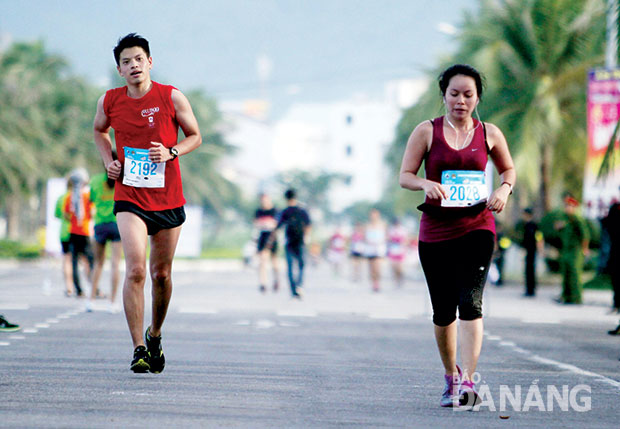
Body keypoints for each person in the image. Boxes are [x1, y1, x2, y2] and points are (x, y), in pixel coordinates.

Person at [399, 64, 516, 408]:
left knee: (471, 303)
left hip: (477, 226)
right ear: (444, 95)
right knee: (443, 310)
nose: (460, 101)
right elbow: (405, 175)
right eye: (454, 94)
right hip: (436, 230)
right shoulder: (427, 131)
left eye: (468, 94)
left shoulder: (489, 133)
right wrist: (425, 183)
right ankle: (450, 376)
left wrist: (504, 189)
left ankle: (468, 381)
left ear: (478, 98)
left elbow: (508, 169)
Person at [93, 33, 202, 373]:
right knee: (137, 270)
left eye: (139, 59)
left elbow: (195, 136)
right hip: (130, 196)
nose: (134, 66)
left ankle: (154, 335)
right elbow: (99, 131)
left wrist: (171, 152)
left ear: (150, 62)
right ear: (119, 70)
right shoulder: (110, 101)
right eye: (126, 62)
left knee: (161, 274)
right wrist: (109, 161)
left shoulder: (171, 96)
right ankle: (138, 348)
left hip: (167, 197)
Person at [88, 154, 123, 312]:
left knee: (98, 263)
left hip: (100, 224)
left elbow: (91, 200)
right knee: (115, 264)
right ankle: (112, 302)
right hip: (117, 223)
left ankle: (91, 300)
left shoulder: (95, 181)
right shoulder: (122, 180)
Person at [271, 189, 311, 299]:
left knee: (289, 267)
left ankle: (293, 290)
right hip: (300, 241)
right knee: (301, 265)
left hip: (289, 242)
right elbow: (308, 224)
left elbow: (277, 226)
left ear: (286, 198)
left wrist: (273, 240)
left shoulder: (284, 212)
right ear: (296, 197)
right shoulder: (302, 211)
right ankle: (299, 286)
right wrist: (306, 237)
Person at [63, 168, 95, 299]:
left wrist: (74, 219)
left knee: (74, 262)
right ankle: (94, 287)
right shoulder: (87, 196)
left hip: (73, 232)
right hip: (85, 232)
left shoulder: (69, 197)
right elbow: (92, 213)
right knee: (91, 261)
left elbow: (66, 215)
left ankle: (79, 289)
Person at [555, 195, 589, 305]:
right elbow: (559, 232)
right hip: (566, 250)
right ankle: (566, 297)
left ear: (574, 207)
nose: (567, 208)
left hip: (575, 251)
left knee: (575, 274)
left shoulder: (577, 219)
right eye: (566, 206)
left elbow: (585, 236)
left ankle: (576, 298)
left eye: (569, 206)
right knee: (566, 274)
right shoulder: (564, 218)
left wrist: (585, 249)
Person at [254, 193, 280, 294]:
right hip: (262, 236)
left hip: (272, 236)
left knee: (274, 261)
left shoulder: (275, 211)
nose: (264, 202)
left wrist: (269, 224)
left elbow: (277, 224)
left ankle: (276, 279)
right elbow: (256, 223)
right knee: (262, 260)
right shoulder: (259, 211)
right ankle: (263, 283)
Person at [55, 186, 75, 296]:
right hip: (79, 231)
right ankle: (94, 288)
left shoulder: (61, 198)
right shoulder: (81, 195)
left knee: (67, 259)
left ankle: (69, 287)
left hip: (64, 232)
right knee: (85, 260)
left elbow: (57, 214)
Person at [519, 208, 543, 297]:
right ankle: (528, 289)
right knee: (527, 270)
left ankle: (531, 289)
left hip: (532, 250)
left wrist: (540, 249)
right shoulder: (525, 225)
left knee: (531, 270)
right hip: (527, 250)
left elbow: (539, 237)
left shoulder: (534, 225)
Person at [364, 209, 387, 293]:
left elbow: (386, 236)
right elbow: (364, 237)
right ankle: (374, 283)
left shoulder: (382, 225)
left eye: (375, 215)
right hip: (370, 249)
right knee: (371, 268)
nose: (373, 217)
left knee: (377, 267)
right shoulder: (367, 225)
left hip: (378, 249)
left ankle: (377, 283)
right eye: (372, 215)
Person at [386, 217, 408, 288]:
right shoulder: (391, 230)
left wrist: (403, 244)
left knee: (399, 268)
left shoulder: (403, 230)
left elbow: (406, 240)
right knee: (393, 267)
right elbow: (387, 239)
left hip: (400, 251)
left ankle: (400, 278)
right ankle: (396, 281)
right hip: (392, 251)